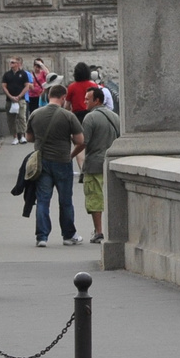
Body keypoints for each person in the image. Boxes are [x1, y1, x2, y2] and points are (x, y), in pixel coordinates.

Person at [26, 83, 85, 246]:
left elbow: (29, 137)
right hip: (62, 161)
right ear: (63, 98)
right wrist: (70, 151)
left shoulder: (35, 114)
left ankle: (42, 237)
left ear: (48, 95)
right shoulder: (68, 116)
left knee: (43, 200)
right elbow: (80, 141)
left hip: (42, 163)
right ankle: (68, 235)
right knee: (65, 200)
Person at [74, 87, 121, 244]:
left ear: (97, 100)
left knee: (95, 198)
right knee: (112, 198)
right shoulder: (115, 117)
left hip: (94, 163)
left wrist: (71, 155)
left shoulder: (90, 118)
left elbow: (83, 142)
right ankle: (114, 230)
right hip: (112, 162)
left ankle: (99, 231)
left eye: (88, 99)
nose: (85, 102)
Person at [0, 57, 31, 143]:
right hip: (10, 100)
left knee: (22, 117)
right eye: (11, 63)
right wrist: (10, 96)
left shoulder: (23, 74)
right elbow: (4, 86)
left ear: (17, 64)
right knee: (11, 119)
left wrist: (19, 96)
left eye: (13, 63)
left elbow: (27, 86)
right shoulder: (7, 75)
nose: (11, 64)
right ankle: (15, 136)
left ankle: (22, 135)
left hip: (20, 99)